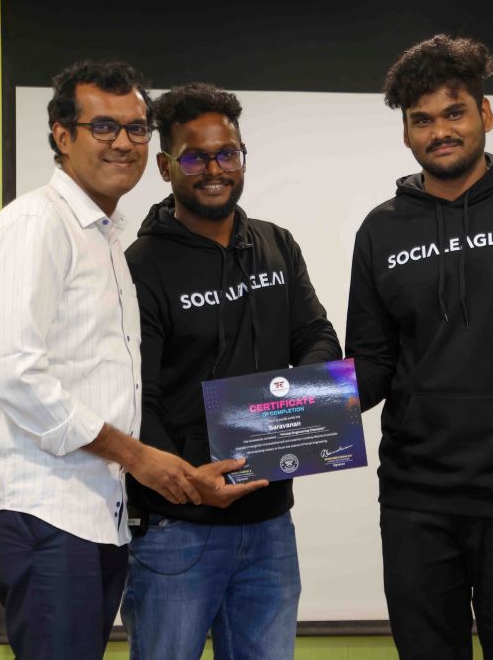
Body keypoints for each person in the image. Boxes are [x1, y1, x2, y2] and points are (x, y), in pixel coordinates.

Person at [0, 59, 226, 659]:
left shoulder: (107, 236)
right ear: (62, 135)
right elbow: (17, 374)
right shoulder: (35, 226)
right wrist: (138, 457)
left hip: (93, 513)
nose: (125, 143)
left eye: (137, 128)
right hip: (44, 509)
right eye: (103, 127)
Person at [345, 35, 493, 659]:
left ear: (485, 114)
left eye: (453, 113)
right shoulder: (380, 229)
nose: (439, 131)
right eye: (421, 120)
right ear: (405, 133)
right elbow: (372, 364)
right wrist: (279, 413)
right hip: (414, 497)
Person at [121, 82, 341, 659]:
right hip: (176, 532)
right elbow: (135, 396)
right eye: (195, 157)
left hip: (269, 525)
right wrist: (191, 484)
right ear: (166, 166)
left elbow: (316, 337)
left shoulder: (275, 244)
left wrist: (305, 406)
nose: (214, 169)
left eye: (228, 154)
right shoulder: (139, 267)